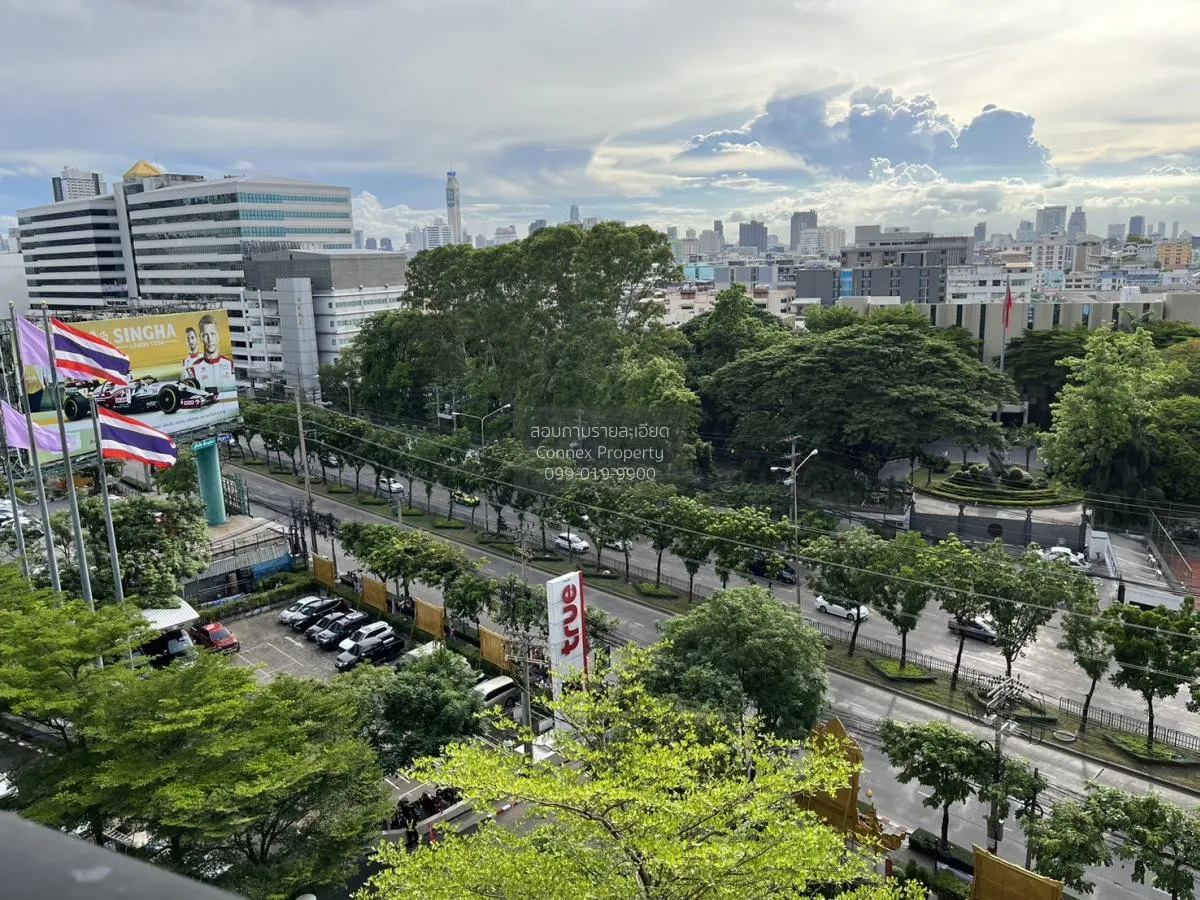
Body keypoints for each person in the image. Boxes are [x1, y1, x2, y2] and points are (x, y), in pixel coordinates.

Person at [185, 314, 235, 396]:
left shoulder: (230, 364)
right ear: (201, 338)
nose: (210, 340)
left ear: (218, 336)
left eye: (212, 334)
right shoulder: (193, 370)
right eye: (205, 335)